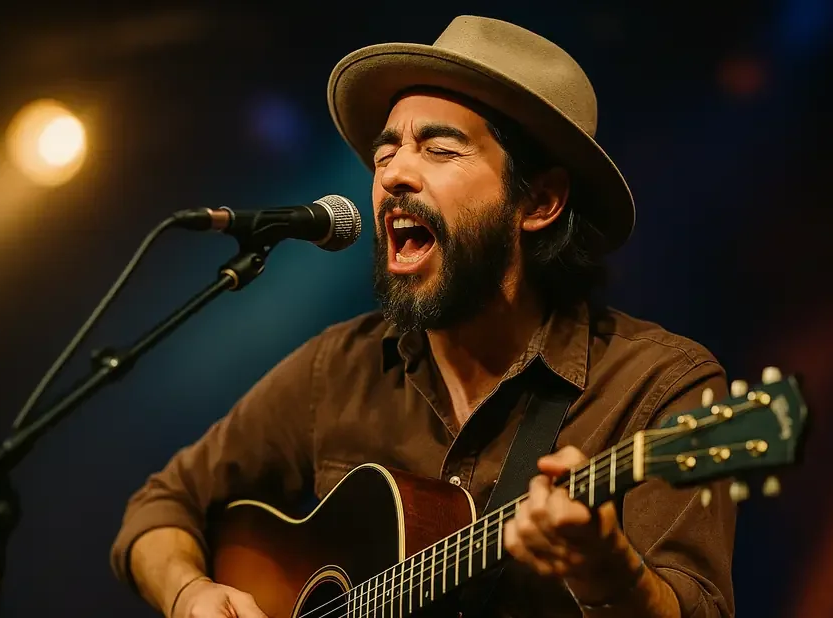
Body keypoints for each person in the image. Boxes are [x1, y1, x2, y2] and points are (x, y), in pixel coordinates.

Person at [110, 15, 736, 618]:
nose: (395, 176)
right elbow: (160, 507)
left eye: (439, 149)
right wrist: (189, 593)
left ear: (540, 201)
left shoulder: (655, 388)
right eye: (386, 154)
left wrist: (610, 572)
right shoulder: (337, 369)